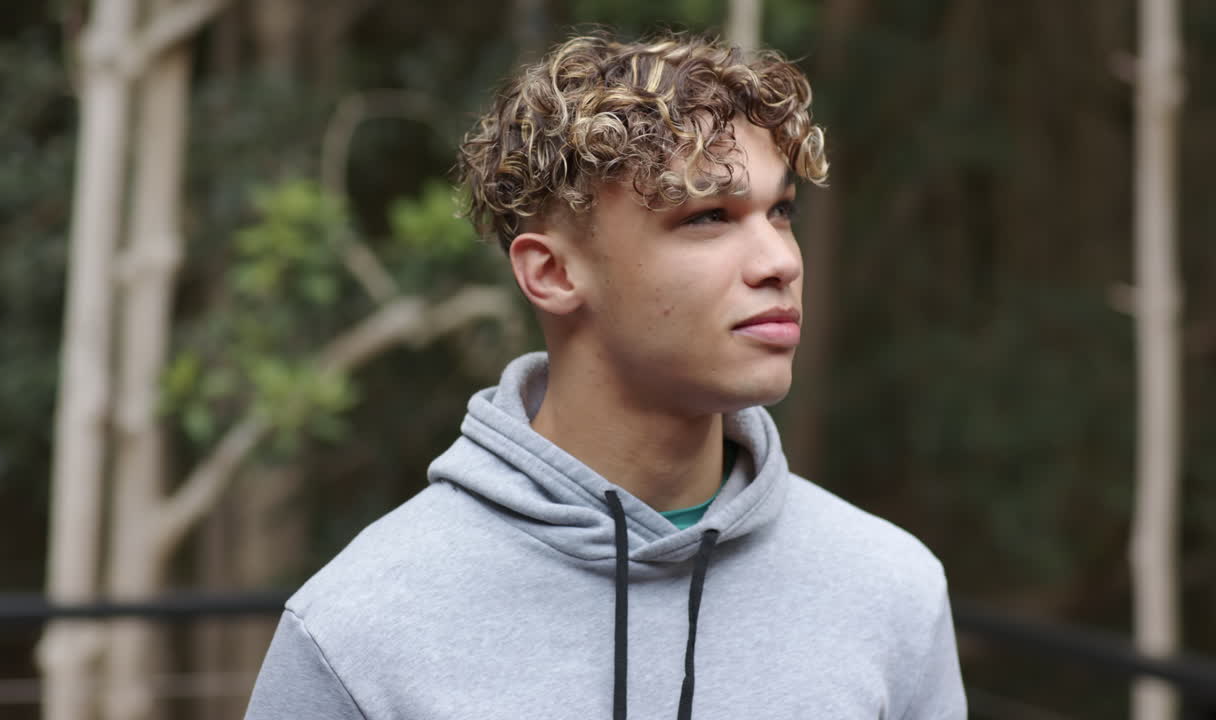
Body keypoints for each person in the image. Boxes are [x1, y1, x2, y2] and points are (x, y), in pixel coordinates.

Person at [245, 31, 966, 720]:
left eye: (780, 212)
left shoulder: (892, 592)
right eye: (708, 216)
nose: (780, 261)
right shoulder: (357, 631)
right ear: (553, 273)